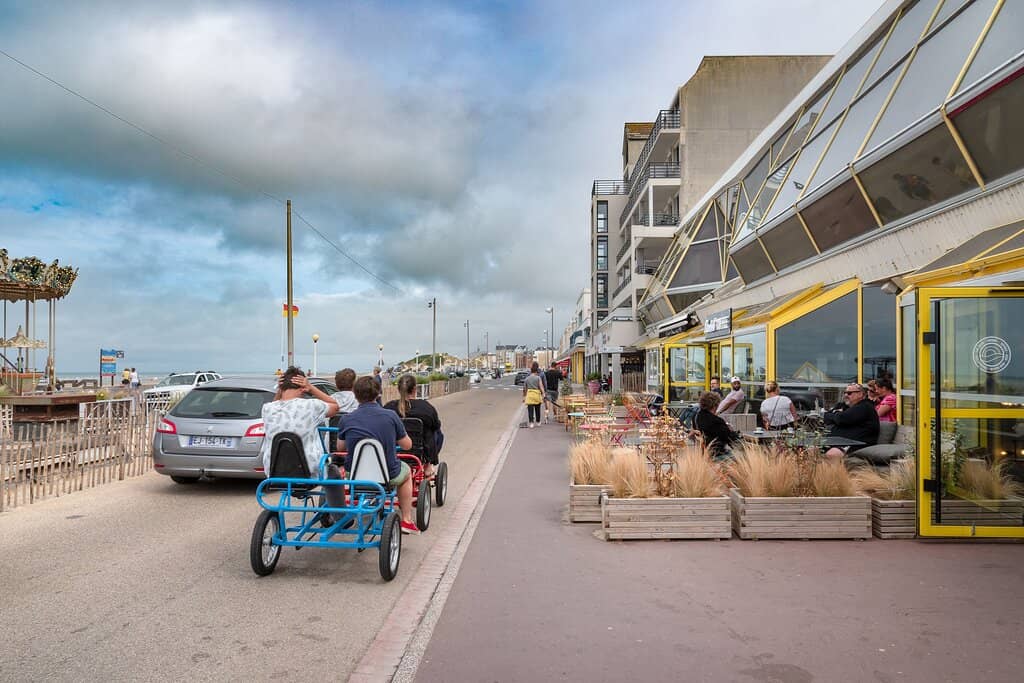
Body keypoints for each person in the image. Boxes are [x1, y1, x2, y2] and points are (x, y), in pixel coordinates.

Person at [338, 375, 419, 535]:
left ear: (355, 394)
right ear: (378, 393)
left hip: (354, 474)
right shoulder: (391, 416)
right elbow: (407, 445)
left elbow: (340, 447)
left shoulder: (346, 419)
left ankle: (342, 513)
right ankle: (407, 520)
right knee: (407, 473)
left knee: (339, 472)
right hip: (387, 473)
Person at [259, 367, 342, 520]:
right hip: (309, 472)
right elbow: (335, 407)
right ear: (302, 387)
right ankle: (340, 516)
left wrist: (279, 391)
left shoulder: (267, 409)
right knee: (333, 472)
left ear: (281, 386)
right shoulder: (311, 406)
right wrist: (311, 388)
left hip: (275, 472)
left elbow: (276, 402)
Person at [384, 373, 443, 477]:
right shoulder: (426, 407)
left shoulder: (389, 407)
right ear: (415, 389)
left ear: (398, 389)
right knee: (437, 433)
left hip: (395, 449)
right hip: (420, 450)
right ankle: (428, 465)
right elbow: (436, 426)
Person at [823, 383, 879, 459]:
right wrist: (837, 415)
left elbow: (843, 419)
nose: (846, 395)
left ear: (860, 394)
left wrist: (836, 414)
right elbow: (826, 417)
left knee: (832, 454)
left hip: (857, 444)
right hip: (837, 442)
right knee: (811, 450)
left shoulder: (865, 406)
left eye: (849, 393)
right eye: (845, 393)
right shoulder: (843, 406)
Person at [694, 390, 739, 460]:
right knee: (742, 458)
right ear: (715, 405)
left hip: (705, 452)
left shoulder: (698, 416)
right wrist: (730, 430)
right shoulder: (716, 421)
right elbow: (730, 439)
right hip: (718, 454)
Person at [523, 362, 545, 428]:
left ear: (531, 371)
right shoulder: (538, 378)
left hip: (529, 395)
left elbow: (524, 388)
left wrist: (524, 396)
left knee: (530, 409)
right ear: (536, 371)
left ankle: (531, 423)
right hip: (536, 394)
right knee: (537, 409)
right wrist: (543, 394)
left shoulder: (527, 379)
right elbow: (541, 386)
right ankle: (538, 422)